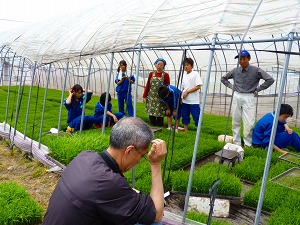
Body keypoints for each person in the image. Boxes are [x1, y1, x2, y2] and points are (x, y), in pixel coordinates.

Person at [43, 117, 167, 225]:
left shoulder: (85, 156)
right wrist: (155, 164)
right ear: (129, 150)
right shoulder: (108, 182)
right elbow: (156, 214)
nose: (139, 161)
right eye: (142, 155)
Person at [221, 50, 274, 147]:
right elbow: (223, 79)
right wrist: (231, 87)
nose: (241, 61)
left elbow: (270, 79)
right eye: (240, 59)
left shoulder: (256, 70)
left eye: (244, 59)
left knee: (249, 122)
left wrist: (258, 89)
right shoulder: (235, 70)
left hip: (249, 96)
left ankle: (247, 144)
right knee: (235, 120)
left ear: (249, 58)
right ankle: (237, 143)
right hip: (237, 95)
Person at [143, 58, 170, 127]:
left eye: (161, 65)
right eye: (158, 64)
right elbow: (148, 85)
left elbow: (168, 87)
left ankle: (159, 125)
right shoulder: (151, 74)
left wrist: (166, 97)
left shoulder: (165, 75)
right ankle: (152, 124)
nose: (159, 66)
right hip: (151, 96)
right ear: (155, 65)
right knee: (151, 111)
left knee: (159, 111)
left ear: (163, 66)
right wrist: (144, 96)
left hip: (160, 97)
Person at [181, 58, 203, 132]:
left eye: (187, 65)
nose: (185, 67)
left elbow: (198, 86)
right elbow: (183, 87)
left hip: (193, 101)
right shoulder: (183, 75)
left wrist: (187, 92)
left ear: (192, 66)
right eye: (184, 65)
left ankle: (198, 131)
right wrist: (182, 95)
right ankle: (186, 130)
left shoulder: (195, 74)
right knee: (185, 115)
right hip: (185, 100)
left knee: (196, 116)